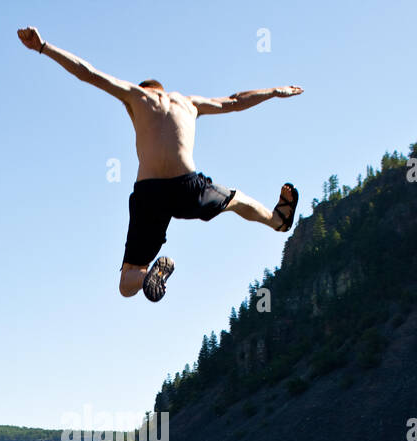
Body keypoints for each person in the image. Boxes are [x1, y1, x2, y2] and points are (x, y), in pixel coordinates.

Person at [17, 26, 302, 302]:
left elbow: (87, 73)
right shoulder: (189, 103)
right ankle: (278, 221)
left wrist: (43, 47)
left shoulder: (134, 95)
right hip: (187, 186)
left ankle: (146, 277)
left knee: (127, 282)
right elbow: (235, 101)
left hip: (149, 193)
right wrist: (275, 91)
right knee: (237, 200)